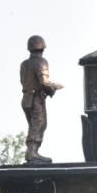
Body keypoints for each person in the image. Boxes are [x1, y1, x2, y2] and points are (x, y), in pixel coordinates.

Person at [19, 34, 63, 164]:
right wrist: (55, 87)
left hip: (26, 99)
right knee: (39, 124)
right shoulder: (41, 62)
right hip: (36, 99)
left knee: (33, 125)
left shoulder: (24, 64)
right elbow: (44, 82)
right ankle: (32, 152)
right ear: (42, 47)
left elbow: (24, 81)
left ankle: (32, 151)